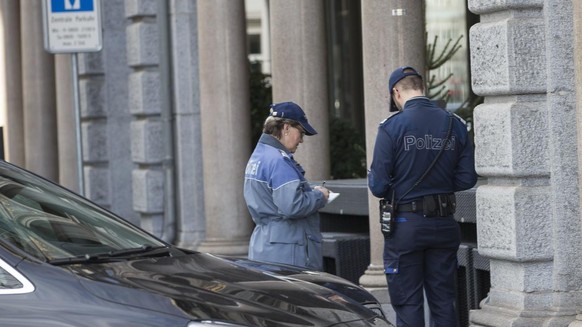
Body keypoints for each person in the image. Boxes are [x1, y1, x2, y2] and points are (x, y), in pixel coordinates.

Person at [368, 66, 478, 327]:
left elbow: (379, 186)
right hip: (444, 224)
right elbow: (467, 178)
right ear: (422, 88)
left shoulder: (391, 127)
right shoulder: (454, 123)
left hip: (406, 225)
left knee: (408, 302)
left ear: (396, 92)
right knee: (443, 301)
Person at [244, 101, 330, 271]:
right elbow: (293, 206)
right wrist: (320, 196)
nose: (302, 140)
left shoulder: (259, 156)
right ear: (286, 128)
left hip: (265, 245)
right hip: (288, 252)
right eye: (301, 132)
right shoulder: (278, 160)